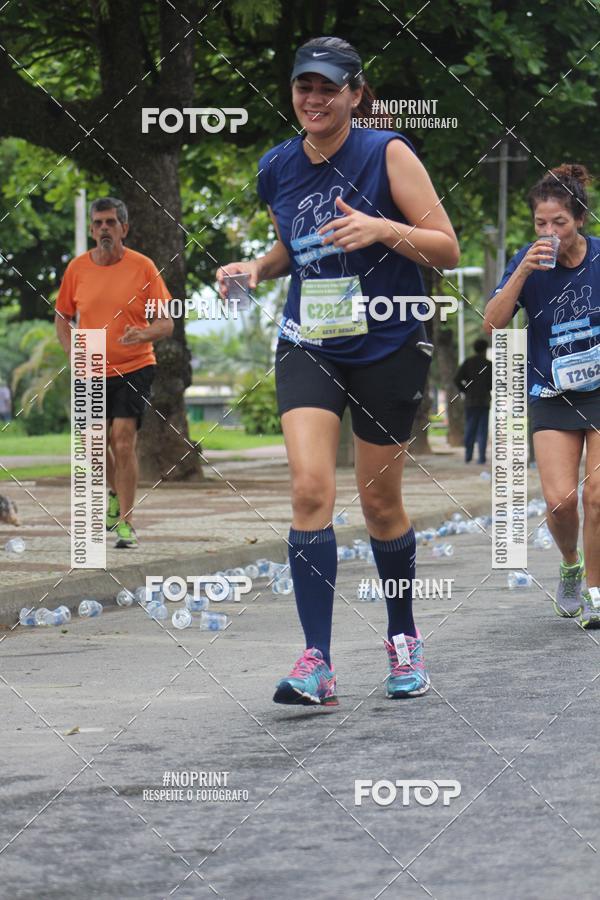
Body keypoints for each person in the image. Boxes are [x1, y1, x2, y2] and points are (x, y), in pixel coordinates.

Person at [217, 36, 459, 704]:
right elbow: (293, 246)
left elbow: (446, 246)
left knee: (380, 503)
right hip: (311, 340)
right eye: (304, 87)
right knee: (308, 491)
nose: (315, 99)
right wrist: (254, 269)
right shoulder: (277, 167)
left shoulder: (387, 153)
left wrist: (383, 230)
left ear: (355, 92)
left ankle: (402, 636)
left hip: (388, 340)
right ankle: (316, 661)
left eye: (329, 88)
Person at [484, 164, 600, 627]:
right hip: (552, 392)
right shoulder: (526, 263)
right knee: (559, 501)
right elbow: (492, 324)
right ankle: (570, 564)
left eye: (559, 223)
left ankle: (595, 589)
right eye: (540, 223)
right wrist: (521, 274)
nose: (549, 232)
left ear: (580, 220)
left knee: (597, 496)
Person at [55, 197, 173, 549]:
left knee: (123, 439)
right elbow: (62, 317)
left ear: (124, 227)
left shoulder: (144, 267)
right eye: (98, 223)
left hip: (135, 365)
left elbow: (165, 323)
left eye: (110, 222)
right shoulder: (76, 269)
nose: (104, 228)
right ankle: (111, 494)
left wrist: (144, 333)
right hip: (90, 364)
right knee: (95, 444)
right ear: (91, 230)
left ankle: (126, 521)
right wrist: (72, 350)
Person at [454, 338, 492, 464]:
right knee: (482, 429)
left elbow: (457, 379)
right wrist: (487, 388)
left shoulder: (468, 362)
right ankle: (481, 457)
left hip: (470, 401)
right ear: (485, 349)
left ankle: (468, 456)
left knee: (470, 428)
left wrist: (466, 390)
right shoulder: (489, 364)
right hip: (484, 401)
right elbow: (493, 382)